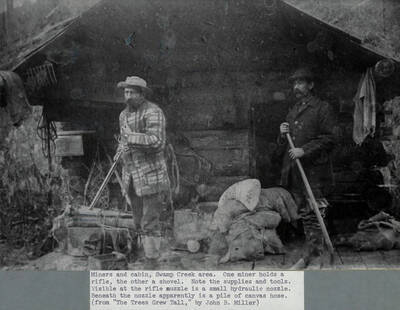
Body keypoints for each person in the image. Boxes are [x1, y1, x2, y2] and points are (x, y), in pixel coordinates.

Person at [278, 68, 336, 268]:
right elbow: (286, 143)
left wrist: (305, 150)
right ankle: (313, 253)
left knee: (317, 210)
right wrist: (282, 132)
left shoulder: (322, 108)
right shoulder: (293, 111)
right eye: (294, 84)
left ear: (311, 85)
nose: (296, 87)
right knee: (305, 212)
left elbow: (330, 138)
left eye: (301, 83)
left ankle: (318, 255)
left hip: (314, 171)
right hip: (296, 171)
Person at [115, 76, 170, 265]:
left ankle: (152, 259)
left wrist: (131, 138)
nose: (127, 96)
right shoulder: (123, 115)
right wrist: (119, 151)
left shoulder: (154, 112)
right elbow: (124, 140)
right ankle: (141, 255)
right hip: (131, 176)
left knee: (150, 220)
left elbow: (157, 142)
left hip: (151, 175)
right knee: (137, 218)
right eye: (126, 92)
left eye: (132, 93)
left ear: (141, 94)